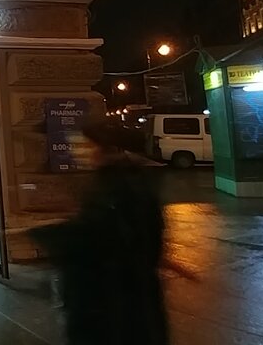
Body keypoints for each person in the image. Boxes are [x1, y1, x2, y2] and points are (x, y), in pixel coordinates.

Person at [30, 119, 168, 345]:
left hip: (111, 300)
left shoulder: (116, 186)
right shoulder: (120, 180)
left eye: (85, 145)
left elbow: (98, 238)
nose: (77, 151)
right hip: (123, 295)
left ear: (105, 150)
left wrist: (46, 234)